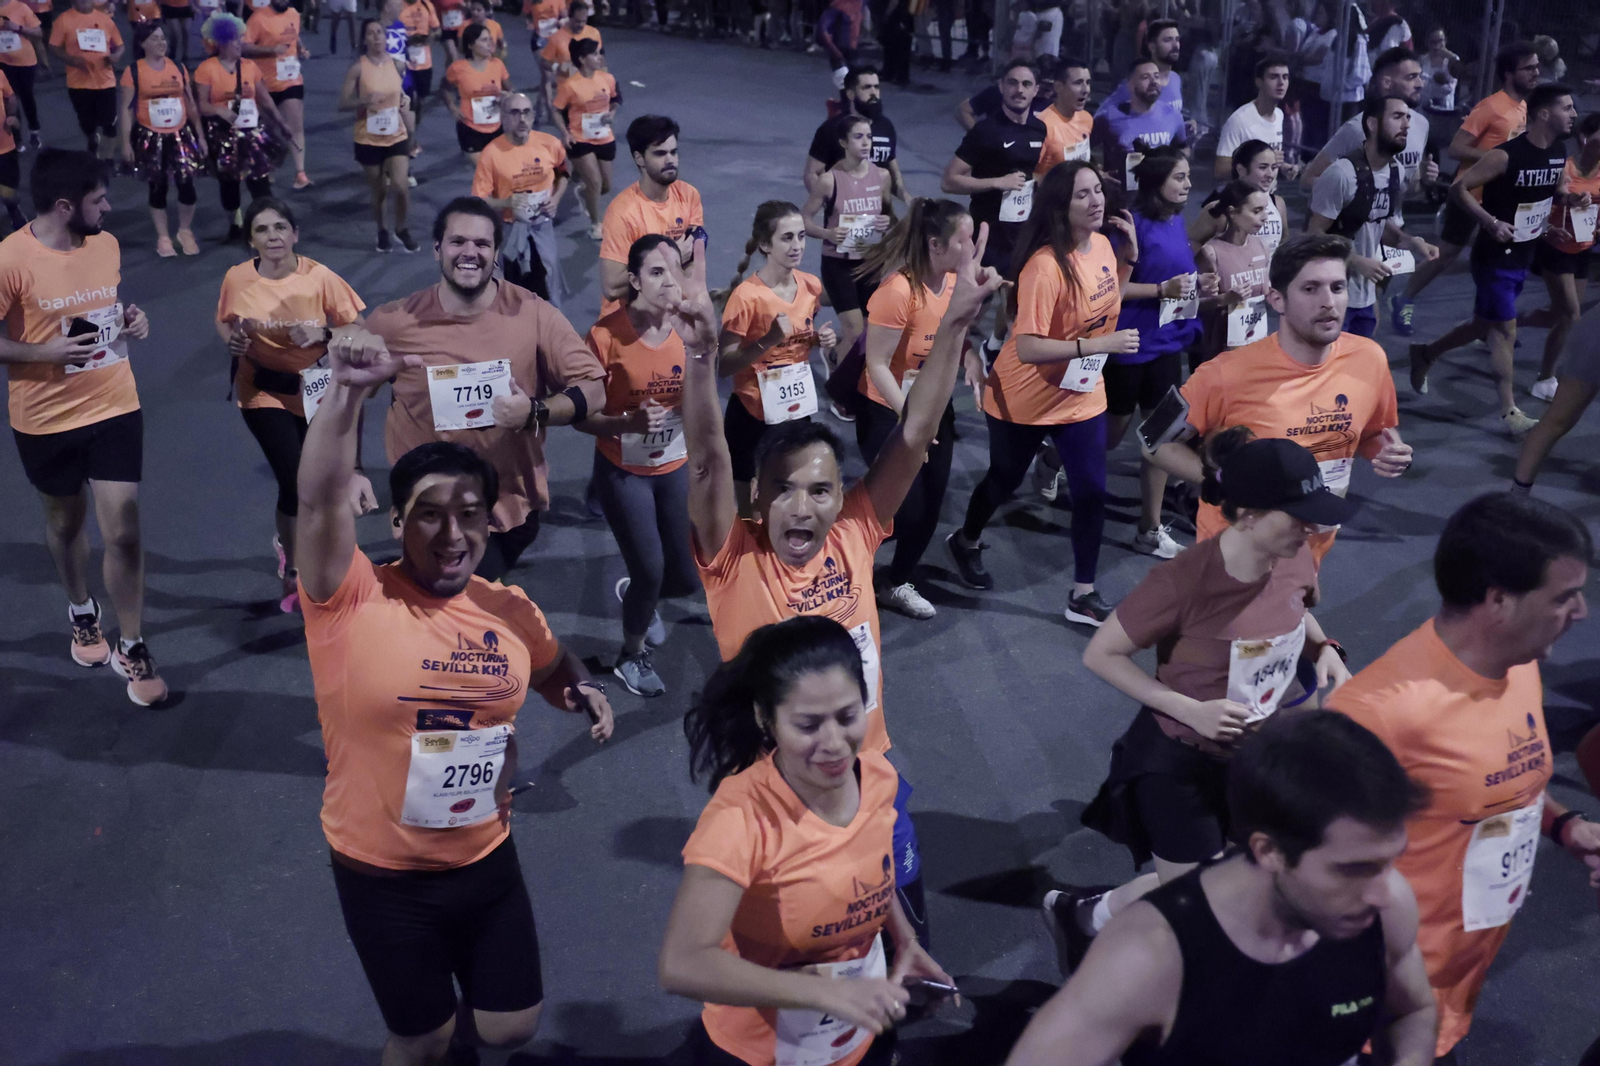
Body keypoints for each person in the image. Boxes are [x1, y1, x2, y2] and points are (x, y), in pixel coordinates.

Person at [294, 320, 615, 1066]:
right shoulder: (349, 597)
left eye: (469, 515)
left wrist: (581, 687)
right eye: (429, 515)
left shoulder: (509, 609)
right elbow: (318, 503)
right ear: (396, 520)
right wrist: (346, 392)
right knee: (423, 1038)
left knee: (510, 1028)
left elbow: (551, 663)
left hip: (485, 856)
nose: (451, 534)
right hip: (382, 873)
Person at [682, 219, 1002, 951]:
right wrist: (701, 356)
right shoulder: (734, 557)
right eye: (784, 489)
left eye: (821, 490)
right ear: (757, 497)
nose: (804, 507)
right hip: (779, 799)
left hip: (870, 776)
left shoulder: (856, 530)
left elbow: (915, 433)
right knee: (805, 954)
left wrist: (956, 323)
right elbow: (705, 460)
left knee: (906, 939)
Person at [1054, 434, 1356, 966]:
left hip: (1256, 757)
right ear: (1249, 516)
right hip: (1180, 763)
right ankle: (1095, 929)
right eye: (1297, 516)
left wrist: (1324, 647)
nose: (1311, 528)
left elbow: (1296, 611)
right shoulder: (1181, 581)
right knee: (1199, 903)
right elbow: (1101, 654)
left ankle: (1090, 914)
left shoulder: (1294, 558)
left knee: (1241, 875)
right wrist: (1189, 709)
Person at [1329, 492, 1599, 1062]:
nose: (1581, 612)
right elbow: (1301, 871)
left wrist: (1563, 825)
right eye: (1564, 597)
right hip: (1388, 996)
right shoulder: (1380, 714)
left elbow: (1491, 778)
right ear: (1499, 601)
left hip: (1463, 972)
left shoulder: (1517, 664)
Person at [1007, 712, 1438, 1066]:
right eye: (1353, 869)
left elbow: (1414, 1011)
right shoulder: (1150, 956)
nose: (1383, 892)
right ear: (1269, 852)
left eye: (1388, 862)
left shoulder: (1385, 908)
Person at [660, 616, 957, 1065]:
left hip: (861, 1035)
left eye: (847, 716)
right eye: (808, 725)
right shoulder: (740, 819)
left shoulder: (877, 778)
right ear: (766, 719)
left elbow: (869, 875)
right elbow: (682, 963)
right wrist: (822, 993)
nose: (834, 743)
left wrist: (904, 939)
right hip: (763, 1053)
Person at [0, 149, 163, 705]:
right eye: (99, 199)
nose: (109, 208)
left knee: (124, 530)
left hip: (114, 405)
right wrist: (40, 351)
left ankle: (133, 644)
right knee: (66, 523)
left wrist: (131, 320)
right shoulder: (11, 259)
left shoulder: (106, 245)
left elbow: (103, 310)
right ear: (66, 206)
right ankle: (82, 611)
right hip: (46, 419)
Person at [371, 197, 606, 582]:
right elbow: (344, 387)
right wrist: (352, 470)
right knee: (453, 599)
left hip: (509, 506)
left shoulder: (531, 313)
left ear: (497, 254)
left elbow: (594, 390)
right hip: (428, 508)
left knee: (459, 600)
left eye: (482, 244)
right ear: (437, 250)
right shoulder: (395, 322)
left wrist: (534, 412)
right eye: (457, 242)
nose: (470, 252)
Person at [946, 160, 1135, 626]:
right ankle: (965, 540)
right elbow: (1028, 348)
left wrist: (1128, 260)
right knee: (1003, 479)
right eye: (1082, 194)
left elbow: (1106, 304)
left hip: (1080, 393)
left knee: (1091, 492)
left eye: (1098, 190)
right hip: (1023, 397)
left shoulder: (1104, 245)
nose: (1096, 201)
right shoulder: (1045, 267)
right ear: (1060, 206)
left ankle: (1083, 594)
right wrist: (1097, 346)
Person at [1149, 233, 1412, 566]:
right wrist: (1223, 480)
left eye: (1337, 287)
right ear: (1277, 299)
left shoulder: (1369, 359)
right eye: (1310, 289)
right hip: (1234, 559)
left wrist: (1387, 451)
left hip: (1311, 550)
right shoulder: (1224, 374)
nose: (1328, 302)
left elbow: (1375, 431)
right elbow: (1154, 442)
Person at [215, 197, 366, 612]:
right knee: (295, 479)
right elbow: (225, 320)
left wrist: (322, 333)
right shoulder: (237, 278)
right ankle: (296, 564)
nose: (273, 237)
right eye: (262, 230)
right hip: (262, 390)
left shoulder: (320, 278)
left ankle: (311, 551)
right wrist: (233, 342)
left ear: (295, 234)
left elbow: (359, 329)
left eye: (280, 227)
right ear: (251, 240)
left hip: (316, 391)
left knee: (322, 480)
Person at [1408, 83, 1578, 436]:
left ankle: (1426, 353)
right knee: (1504, 330)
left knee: (1482, 325)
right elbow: (1459, 189)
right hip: (1494, 257)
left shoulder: (1558, 151)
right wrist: (1490, 222)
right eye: (1567, 108)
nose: (1574, 114)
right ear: (1544, 113)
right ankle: (1509, 410)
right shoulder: (1505, 156)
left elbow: (1547, 195)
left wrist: (1561, 210)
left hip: (1522, 253)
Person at [575, 235, 700, 697]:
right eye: (656, 272)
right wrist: (628, 423)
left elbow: (708, 390)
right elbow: (581, 419)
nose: (669, 281)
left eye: (675, 270)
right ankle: (631, 655)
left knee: (683, 576)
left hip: (675, 463)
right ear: (634, 280)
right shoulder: (605, 337)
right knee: (650, 568)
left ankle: (640, 596)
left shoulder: (689, 328)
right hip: (623, 469)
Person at [852, 198, 974, 619]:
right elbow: (877, 364)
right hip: (888, 411)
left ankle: (894, 582)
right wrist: (911, 419)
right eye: (964, 241)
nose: (971, 249)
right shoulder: (898, 291)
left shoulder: (955, 285)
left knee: (930, 509)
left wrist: (973, 361)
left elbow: (955, 340)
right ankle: (841, 558)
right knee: (906, 510)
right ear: (935, 245)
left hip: (934, 406)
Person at [1390, 42, 1539, 330]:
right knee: (1446, 255)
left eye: (1536, 67)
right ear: (1509, 74)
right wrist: (1498, 160)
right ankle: (1403, 298)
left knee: (1493, 263)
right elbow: (1456, 148)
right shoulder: (1490, 107)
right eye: (1529, 68)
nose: (1536, 73)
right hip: (1469, 194)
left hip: (1499, 199)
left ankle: (1490, 324)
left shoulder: (1522, 107)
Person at [1109, 147, 1211, 555]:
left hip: (1167, 346)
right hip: (1129, 346)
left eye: (1187, 176)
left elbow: (1176, 278)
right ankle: (1052, 460)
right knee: (1111, 437)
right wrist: (1160, 290)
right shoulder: (1130, 225)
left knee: (1161, 437)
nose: (1189, 184)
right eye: (1179, 177)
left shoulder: (1176, 221)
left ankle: (1148, 528)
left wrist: (1200, 285)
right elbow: (1110, 290)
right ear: (1156, 182)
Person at [716, 201, 834, 511]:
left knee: (788, 501)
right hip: (753, 415)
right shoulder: (746, 297)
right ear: (766, 245)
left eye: (801, 236)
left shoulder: (810, 286)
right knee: (750, 511)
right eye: (787, 238)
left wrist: (819, 340)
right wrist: (767, 340)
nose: (797, 246)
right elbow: (724, 365)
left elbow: (799, 339)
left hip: (795, 410)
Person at [1307, 96, 1439, 339]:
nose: (1406, 125)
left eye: (1408, 117)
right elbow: (1313, 236)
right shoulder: (1341, 174)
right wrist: (1356, 261)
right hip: (1331, 297)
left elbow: (1378, 221)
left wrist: (1411, 241)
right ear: (1372, 124)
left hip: (1365, 296)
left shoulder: (1395, 171)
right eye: (1397, 117)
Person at [941, 59, 1044, 358]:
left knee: (1016, 302)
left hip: (1022, 235)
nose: (1019, 90)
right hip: (988, 236)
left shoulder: (1039, 129)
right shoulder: (986, 131)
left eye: (1026, 84)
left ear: (1036, 90)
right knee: (969, 310)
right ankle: (944, 356)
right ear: (1001, 87)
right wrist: (998, 182)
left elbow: (1035, 172)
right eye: (1012, 83)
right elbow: (949, 181)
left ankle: (994, 351)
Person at [801, 114, 890, 397]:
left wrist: (885, 222)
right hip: (838, 263)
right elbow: (804, 219)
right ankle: (839, 393)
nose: (866, 143)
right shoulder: (829, 180)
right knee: (853, 330)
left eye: (869, 137)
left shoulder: (882, 176)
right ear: (843, 142)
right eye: (858, 137)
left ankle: (835, 356)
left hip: (871, 262)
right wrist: (827, 233)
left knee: (869, 328)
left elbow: (886, 213)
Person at [1523, 111, 1600, 401]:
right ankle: (1545, 379)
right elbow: (1537, 207)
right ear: (1584, 138)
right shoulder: (1563, 168)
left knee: (1558, 315)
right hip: (1555, 246)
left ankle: (1499, 323)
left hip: (1583, 247)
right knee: (1571, 315)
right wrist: (1547, 229)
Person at [194, 14, 290, 244]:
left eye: (240, 39)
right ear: (221, 43)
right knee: (229, 184)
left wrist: (281, 123)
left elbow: (265, 99)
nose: (240, 44)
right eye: (235, 40)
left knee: (260, 183)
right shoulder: (206, 69)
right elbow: (202, 105)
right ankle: (235, 225)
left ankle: (264, 227)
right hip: (223, 136)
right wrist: (220, 111)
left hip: (252, 134)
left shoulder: (250, 67)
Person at [117, 21, 206, 258]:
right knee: (158, 186)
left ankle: (185, 231)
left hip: (180, 135)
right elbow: (126, 109)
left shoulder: (178, 67)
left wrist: (200, 136)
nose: (161, 43)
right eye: (155, 38)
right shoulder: (133, 72)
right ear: (142, 43)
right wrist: (125, 143)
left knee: (187, 185)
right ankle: (163, 237)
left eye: (163, 38)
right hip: (150, 136)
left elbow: (191, 104)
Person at [471, 91, 567, 307]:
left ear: (533, 116)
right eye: (514, 113)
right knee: (514, 287)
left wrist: (555, 199)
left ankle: (550, 322)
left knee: (548, 277)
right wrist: (506, 203)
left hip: (542, 227)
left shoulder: (550, 144)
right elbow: (479, 199)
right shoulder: (491, 153)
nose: (522, 119)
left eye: (526, 112)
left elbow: (563, 174)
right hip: (510, 230)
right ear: (503, 117)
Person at [1301, 46, 1437, 198]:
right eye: (1411, 77)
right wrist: (1352, 193)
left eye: (1420, 76)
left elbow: (1403, 192)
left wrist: (1424, 181)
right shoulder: (1357, 129)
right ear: (1386, 83)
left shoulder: (1421, 124)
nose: (1420, 84)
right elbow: (1308, 179)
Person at [598, 115, 703, 297]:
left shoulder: (689, 195)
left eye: (673, 152)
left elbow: (693, 259)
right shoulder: (622, 213)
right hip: (632, 312)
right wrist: (671, 257)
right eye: (660, 154)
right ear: (640, 159)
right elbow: (611, 288)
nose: (670, 160)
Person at [339, 18, 415, 253]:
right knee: (379, 189)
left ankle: (401, 228)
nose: (376, 37)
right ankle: (382, 230)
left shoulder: (398, 65)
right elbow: (343, 103)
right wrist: (364, 100)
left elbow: (405, 93)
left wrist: (405, 100)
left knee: (401, 185)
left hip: (396, 134)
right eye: (371, 33)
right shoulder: (358, 68)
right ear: (365, 39)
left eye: (379, 32)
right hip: (368, 137)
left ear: (386, 36)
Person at [1194, 180, 1272, 366]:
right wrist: (1224, 299)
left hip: (1255, 347)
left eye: (1265, 210)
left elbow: (1265, 294)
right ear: (1233, 212)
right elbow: (1192, 306)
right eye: (1256, 211)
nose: (1264, 217)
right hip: (1220, 353)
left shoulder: (1262, 246)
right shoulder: (1211, 253)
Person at [804, 66, 907, 206]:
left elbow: (893, 173)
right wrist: (831, 205)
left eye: (876, 87)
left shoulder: (886, 126)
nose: (873, 93)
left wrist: (908, 199)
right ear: (851, 94)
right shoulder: (832, 128)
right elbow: (811, 174)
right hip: (844, 214)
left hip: (877, 213)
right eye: (866, 87)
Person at [552, 37, 617, 240]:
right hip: (579, 139)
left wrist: (612, 113)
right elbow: (556, 110)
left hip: (604, 137)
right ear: (582, 59)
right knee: (595, 183)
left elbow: (615, 100)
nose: (599, 57)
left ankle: (584, 192)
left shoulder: (607, 78)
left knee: (605, 186)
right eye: (594, 54)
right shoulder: (570, 85)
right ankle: (596, 224)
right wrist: (565, 133)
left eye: (599, 53)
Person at [1091, 58, 1189, 195]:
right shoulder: (1109, 117)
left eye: (1156, 76)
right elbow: (1085, 146)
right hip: (1122, 199)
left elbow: (1183, 147)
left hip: (1160, 199)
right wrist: (1096, 172)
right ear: (1130, 85)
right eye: (1145, 77)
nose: (1154, 82)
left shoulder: (1173, 115)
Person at [243, 0, 310, 189]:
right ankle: (268, 168)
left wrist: (301, 49)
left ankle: (300, 173)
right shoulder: (258, 18)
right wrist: (271, 50)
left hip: (291, 80)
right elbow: (245, 47)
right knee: (268, 130)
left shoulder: (294, 14)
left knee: (296, 126)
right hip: (266, 83)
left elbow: (294, 36)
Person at [48, 0, 123, 159]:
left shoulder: (104, 19)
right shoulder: (63, 20)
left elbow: (120, 45)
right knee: (86, 122)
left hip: (106, 81)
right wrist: (70, 59)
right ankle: (92, 138)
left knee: (110, 123)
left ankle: (108, 160)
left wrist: (116, 56)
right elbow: (54, 47)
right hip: (78, 83)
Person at [1189, 140, 1289, 258]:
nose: (1270, 174)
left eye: (1274, 167)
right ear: (1241, 170)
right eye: (1263, 167)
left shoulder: (1278, 204)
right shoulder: (1220, 209)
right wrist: (1210, 263)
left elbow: (1284, 242)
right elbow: (1191, 243)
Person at [442, 21, 509, 165]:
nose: (490, 43)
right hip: (470, 127)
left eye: (490, 39)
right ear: (471, 45)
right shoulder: (458, 68)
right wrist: (452, 107)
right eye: (484, 40)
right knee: (484, 169)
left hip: (497, 126)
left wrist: (508, 97)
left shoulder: (497, 65)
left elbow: (509, 89)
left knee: (499, 169)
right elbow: (444, 88)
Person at [1214, 54, 1290, 180]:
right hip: (1243, 192)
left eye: (1285, 77)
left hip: (1268, 191)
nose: (1281, 83)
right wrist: (1264, 161)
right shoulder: (1239, 120)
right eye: (1274, 77)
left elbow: (1269, 161)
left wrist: (1282, 167)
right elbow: (1220, 170)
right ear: (1259, 82)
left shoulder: (1279, 115)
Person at [1095, 18, 1184, 121]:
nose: (1175, 45)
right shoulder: (1136, 83)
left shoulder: (1175, 79)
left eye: (1177, 39)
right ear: (1152, 47)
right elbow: (1100, 115)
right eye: (1168, 40)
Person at [1034, 58, 1092, 178]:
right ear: (1059, 87)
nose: (1085, 90)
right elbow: (1031, 174)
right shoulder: (1042, 125)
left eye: (1088, 82)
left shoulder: (1087, 118)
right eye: (1078, 83)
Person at [0, 0, 44, 151]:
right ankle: (15, 137)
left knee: (26, 98)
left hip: (24, 62)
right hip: (3, 63)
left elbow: (38, 33)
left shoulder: (21, 7)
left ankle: (34, 131)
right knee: (8, 100)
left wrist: (18, 27)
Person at [395, 0, 438, 152]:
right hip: (402, 63)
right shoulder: (398, 6)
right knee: (404, 101)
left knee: (419, 102)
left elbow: (437, 30)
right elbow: (390, 32)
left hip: (424, 63)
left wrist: (428, 39)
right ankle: (402, 136)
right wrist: (407, 40)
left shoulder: (426, 5)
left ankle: (411, 133)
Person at [538, 0, 596, 78]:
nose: (581, 25)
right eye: (578, 21)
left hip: (590, 82)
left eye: (584, 21)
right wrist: (557, 68)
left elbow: (601, 58)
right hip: (567, 82)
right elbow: (545, 61)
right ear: (570, 17)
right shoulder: (556, 38)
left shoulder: (594, 33)